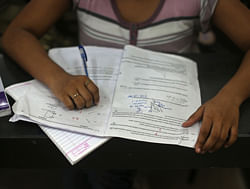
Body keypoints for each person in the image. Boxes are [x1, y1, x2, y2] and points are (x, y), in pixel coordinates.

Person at [1, 0, 250, 155]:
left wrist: (230, 97)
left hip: (167, 122)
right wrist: (58, 78)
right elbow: (16, 34)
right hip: (95, 126)